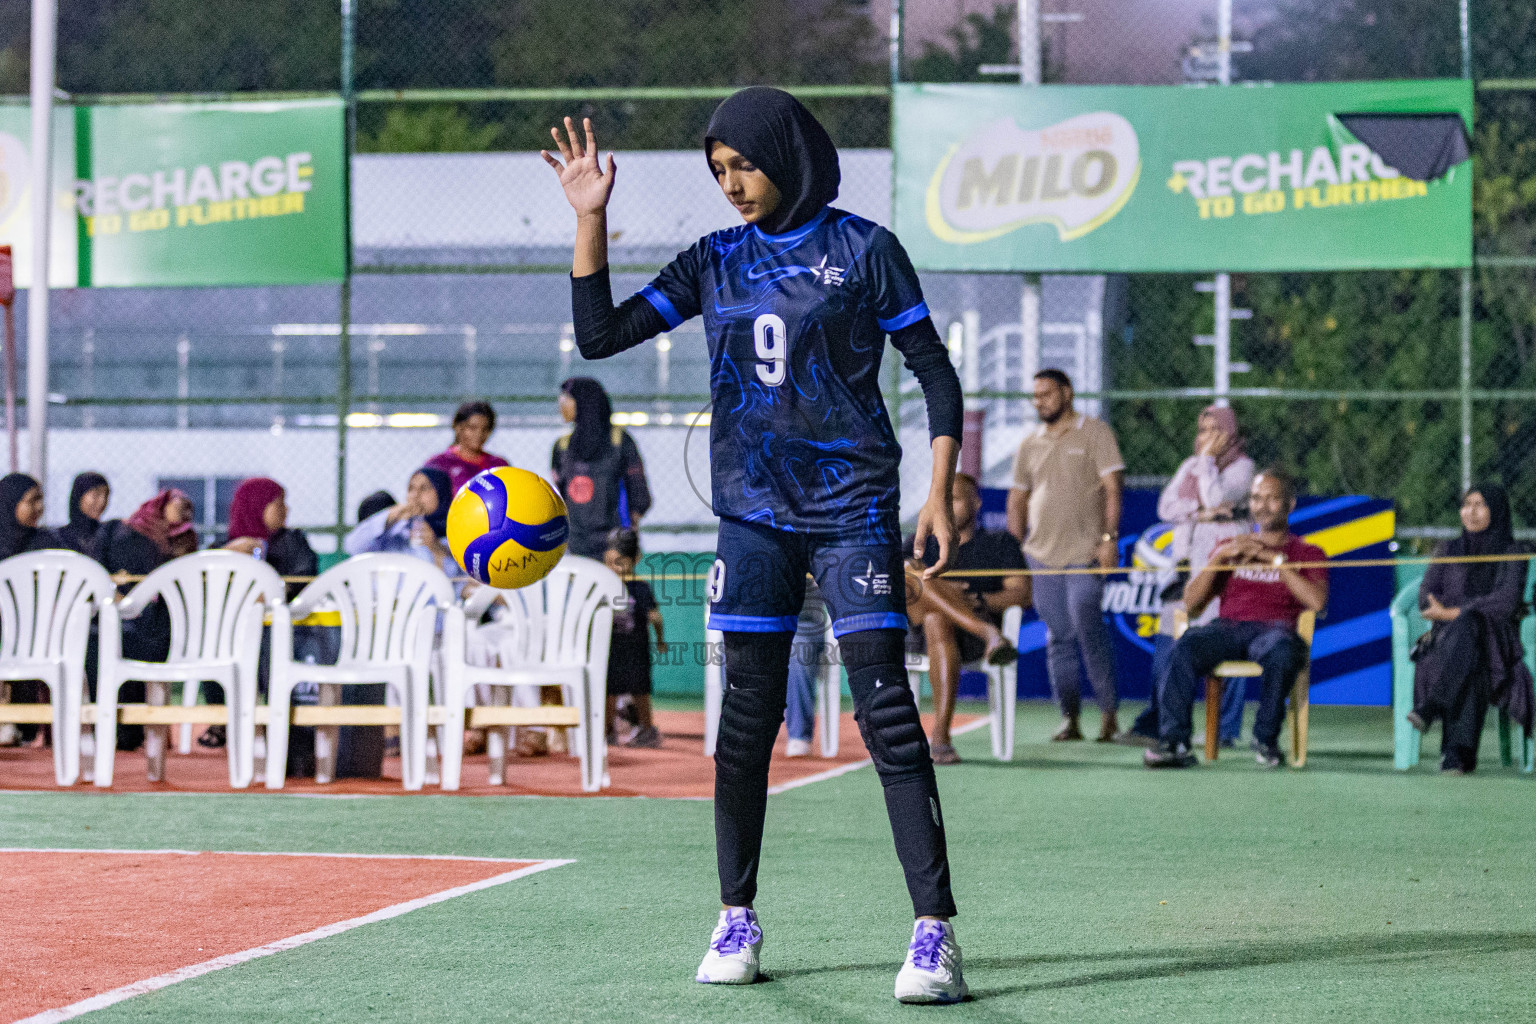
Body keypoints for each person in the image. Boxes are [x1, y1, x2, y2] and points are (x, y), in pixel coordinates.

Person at [543, 89, 968, 1001]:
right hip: (754, 517)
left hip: (853, 509)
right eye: (718, 171)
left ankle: (933, 932)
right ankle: (736, 914)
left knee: (886, 715)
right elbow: (601, 334)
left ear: (790, 152)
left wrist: (936, 494)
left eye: (744, 165)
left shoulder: (866, 252)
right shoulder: (715, 261)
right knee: (746, 723)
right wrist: (590, 220)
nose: (732, 185)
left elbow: (934, 370)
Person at [1146, 469, 1328, 770]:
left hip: (1275, 630)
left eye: (1272, 498)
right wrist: (1219, 559)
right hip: (1228, 628)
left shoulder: (1307, 551)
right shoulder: (1231, 547)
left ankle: (1265, 739)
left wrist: (1277, 563)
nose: (1262, 505)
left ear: (1290, 505)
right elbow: (1190, 605)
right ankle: (1175, 743)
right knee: (1186, 644)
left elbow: (1317, 603)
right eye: (1256, 498)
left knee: (1284, 652)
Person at [1121, 406, 1254, 747]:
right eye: (1202, 429)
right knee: (1168, 643)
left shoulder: (1243, 468)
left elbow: (1219, 496)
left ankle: (1224, 730)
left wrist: (1208, 465)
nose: (1205, 437)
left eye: (1214, 429)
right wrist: (1202, 511)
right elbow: (1166, 508)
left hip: (1223, 567)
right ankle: (1160, 723)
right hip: (1184, 567)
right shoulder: (1190, 466)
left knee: (1224, 642)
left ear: (1229, 433)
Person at [1006, 369, 1125, 743]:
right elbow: (1017, 498)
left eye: (1046, 394)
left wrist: (1108, 538)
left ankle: (1109, 714)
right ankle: (1069, 718)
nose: (1039, 401)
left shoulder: (1095, 432)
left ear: (1067, 393)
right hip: (1040, 556)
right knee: (1059, 636)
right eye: (1035, 396)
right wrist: (1015, 550)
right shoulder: (1029, 444)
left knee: (1087, 627)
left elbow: (1113, 489)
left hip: (1084, 554)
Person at [1407, 485, 1534, 774]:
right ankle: (1458, 755)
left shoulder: (1514, 552)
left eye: (1480, 505)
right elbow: (1425, 595)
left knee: (1472, 631)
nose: (1471, 511)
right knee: (1471, 651)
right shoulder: (1449, 549)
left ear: (1497, 510)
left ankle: (1438, 715)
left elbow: (1505, 602)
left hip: (1497, 639)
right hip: (1452, 641)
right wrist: (1460, 615)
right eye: (1467, 504)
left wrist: (1452, 612)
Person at [907, 473, 1026, 764]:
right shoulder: (920, 542)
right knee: (913, 578)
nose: (947, 507)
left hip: (970, 640)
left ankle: (941, 737)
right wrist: (948, 590)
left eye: (956, 500)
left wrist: (979, 599)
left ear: (976, 503)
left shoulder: (1000, 543)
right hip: (919, 636)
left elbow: (1021, 594)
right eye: (943, 500)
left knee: (937, 616)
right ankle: (990, 633)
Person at [198, 477, 321, 751]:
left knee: (267, 642)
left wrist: (268, 588)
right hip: (232, 632)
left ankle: (275, 722)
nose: (286, 510)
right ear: (257, 506)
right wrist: (228, 553)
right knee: (219, 639)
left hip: (283, 630)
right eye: (279, 503)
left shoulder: (292, 542)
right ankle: (223, 717)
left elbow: (304, 581)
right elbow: (197, 579)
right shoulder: (226, 544)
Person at [92, 489, 198, 752]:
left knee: (145, 642)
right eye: (178, 504)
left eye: (187, 506)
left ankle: (149, 732)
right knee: (116, 643)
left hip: (162, 624)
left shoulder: (184, 538)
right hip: (124, 619)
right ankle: (121, 732)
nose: (183, 510)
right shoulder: (125, 532)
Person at [552, 377, 653, 558]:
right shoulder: (562, 447)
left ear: (585, 402)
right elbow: (560, 496)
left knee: (616, 586)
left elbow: (639, 494)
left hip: (614, 543)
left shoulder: (620, 442)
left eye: (567, 398)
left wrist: (627, 542)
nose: (561, 403)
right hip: (574, 544)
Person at [0, 474, 62, 747]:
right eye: (31, 501)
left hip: (39, 631)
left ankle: (20, 722)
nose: (39, 508)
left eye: (41, 501)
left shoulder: (47, 541)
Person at [602, 528, 665, 748]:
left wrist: (660, 640)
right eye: (608, 562)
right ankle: (607, 731)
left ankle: (647, 730)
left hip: (637, 650)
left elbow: (655, 617)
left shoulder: (640, 588)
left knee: (641, 692)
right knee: (609, 692)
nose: (613, 567)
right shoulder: (605, 587)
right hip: (611, 651)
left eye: (619, 562)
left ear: (635, 559)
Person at [343, 467, 460, 581]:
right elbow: (352, 546)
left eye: (424, 488)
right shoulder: (395, 531)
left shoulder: (456, 536)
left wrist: (436, 548)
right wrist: (391, 514)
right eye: (411, 489)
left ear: (441, 493)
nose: (415, 495)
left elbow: (455, 585)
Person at [783, 579, 829, 758]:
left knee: (797, 651)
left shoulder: (814, 554)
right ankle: (742, 731)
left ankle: (799, 736)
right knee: (729, 652)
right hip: (760, 625)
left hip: (803, 625)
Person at [424, 400, 510, 495]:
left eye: (485, 429)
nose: (479, 434)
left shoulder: (498, 465)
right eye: (472, 428)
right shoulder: (439, 464)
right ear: (458, 427)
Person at [57, 472, 110, 555]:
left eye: (106, 495)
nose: (102, 501)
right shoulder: (58, 539)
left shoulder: (109, 536)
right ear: (79, 496)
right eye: (96, 495)